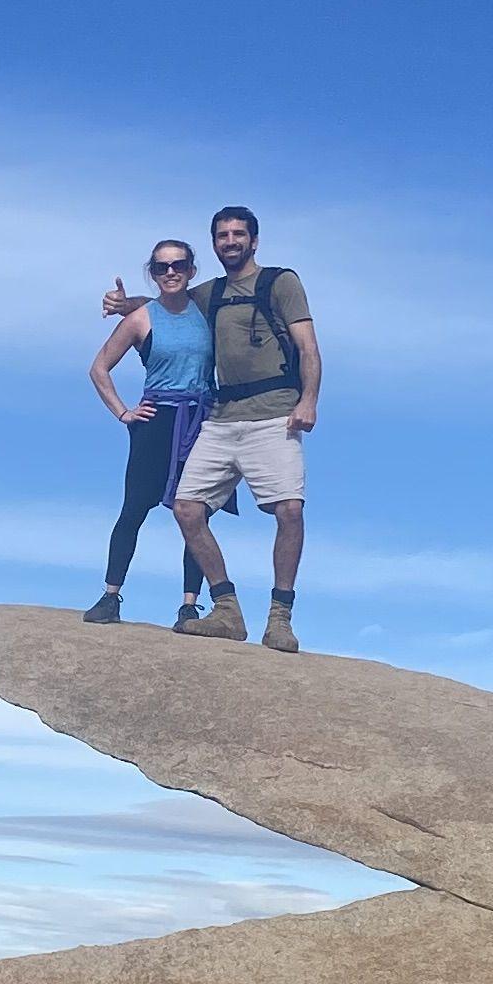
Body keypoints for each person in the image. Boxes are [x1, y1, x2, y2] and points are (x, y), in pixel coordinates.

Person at [169, 205, 318, 650]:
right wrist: (127, 307)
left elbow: (308, 346)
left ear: (254, 240)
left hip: (275, 412)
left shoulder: (280, 282)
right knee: (187, 508)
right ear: (214, 243)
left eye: (238, 234)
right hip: (222, 416)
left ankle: (280, 619)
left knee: (289, 510)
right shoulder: (209, 294)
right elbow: (167, 306)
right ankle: (227, 610)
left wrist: (309, 400)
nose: (229, 242)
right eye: (221, 236)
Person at [83, 238, 217, 625]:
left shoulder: (207, 310)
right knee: (134, 508)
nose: (171, 272)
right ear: (153, 273)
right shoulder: (142, 319)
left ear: (192, 270)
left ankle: (190, 606)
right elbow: (99, 368)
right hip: (155, 420)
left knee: (195, 514)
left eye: (178, 265)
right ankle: (110, 597)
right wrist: (123, 412)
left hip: (200, 420)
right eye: (162, 267)